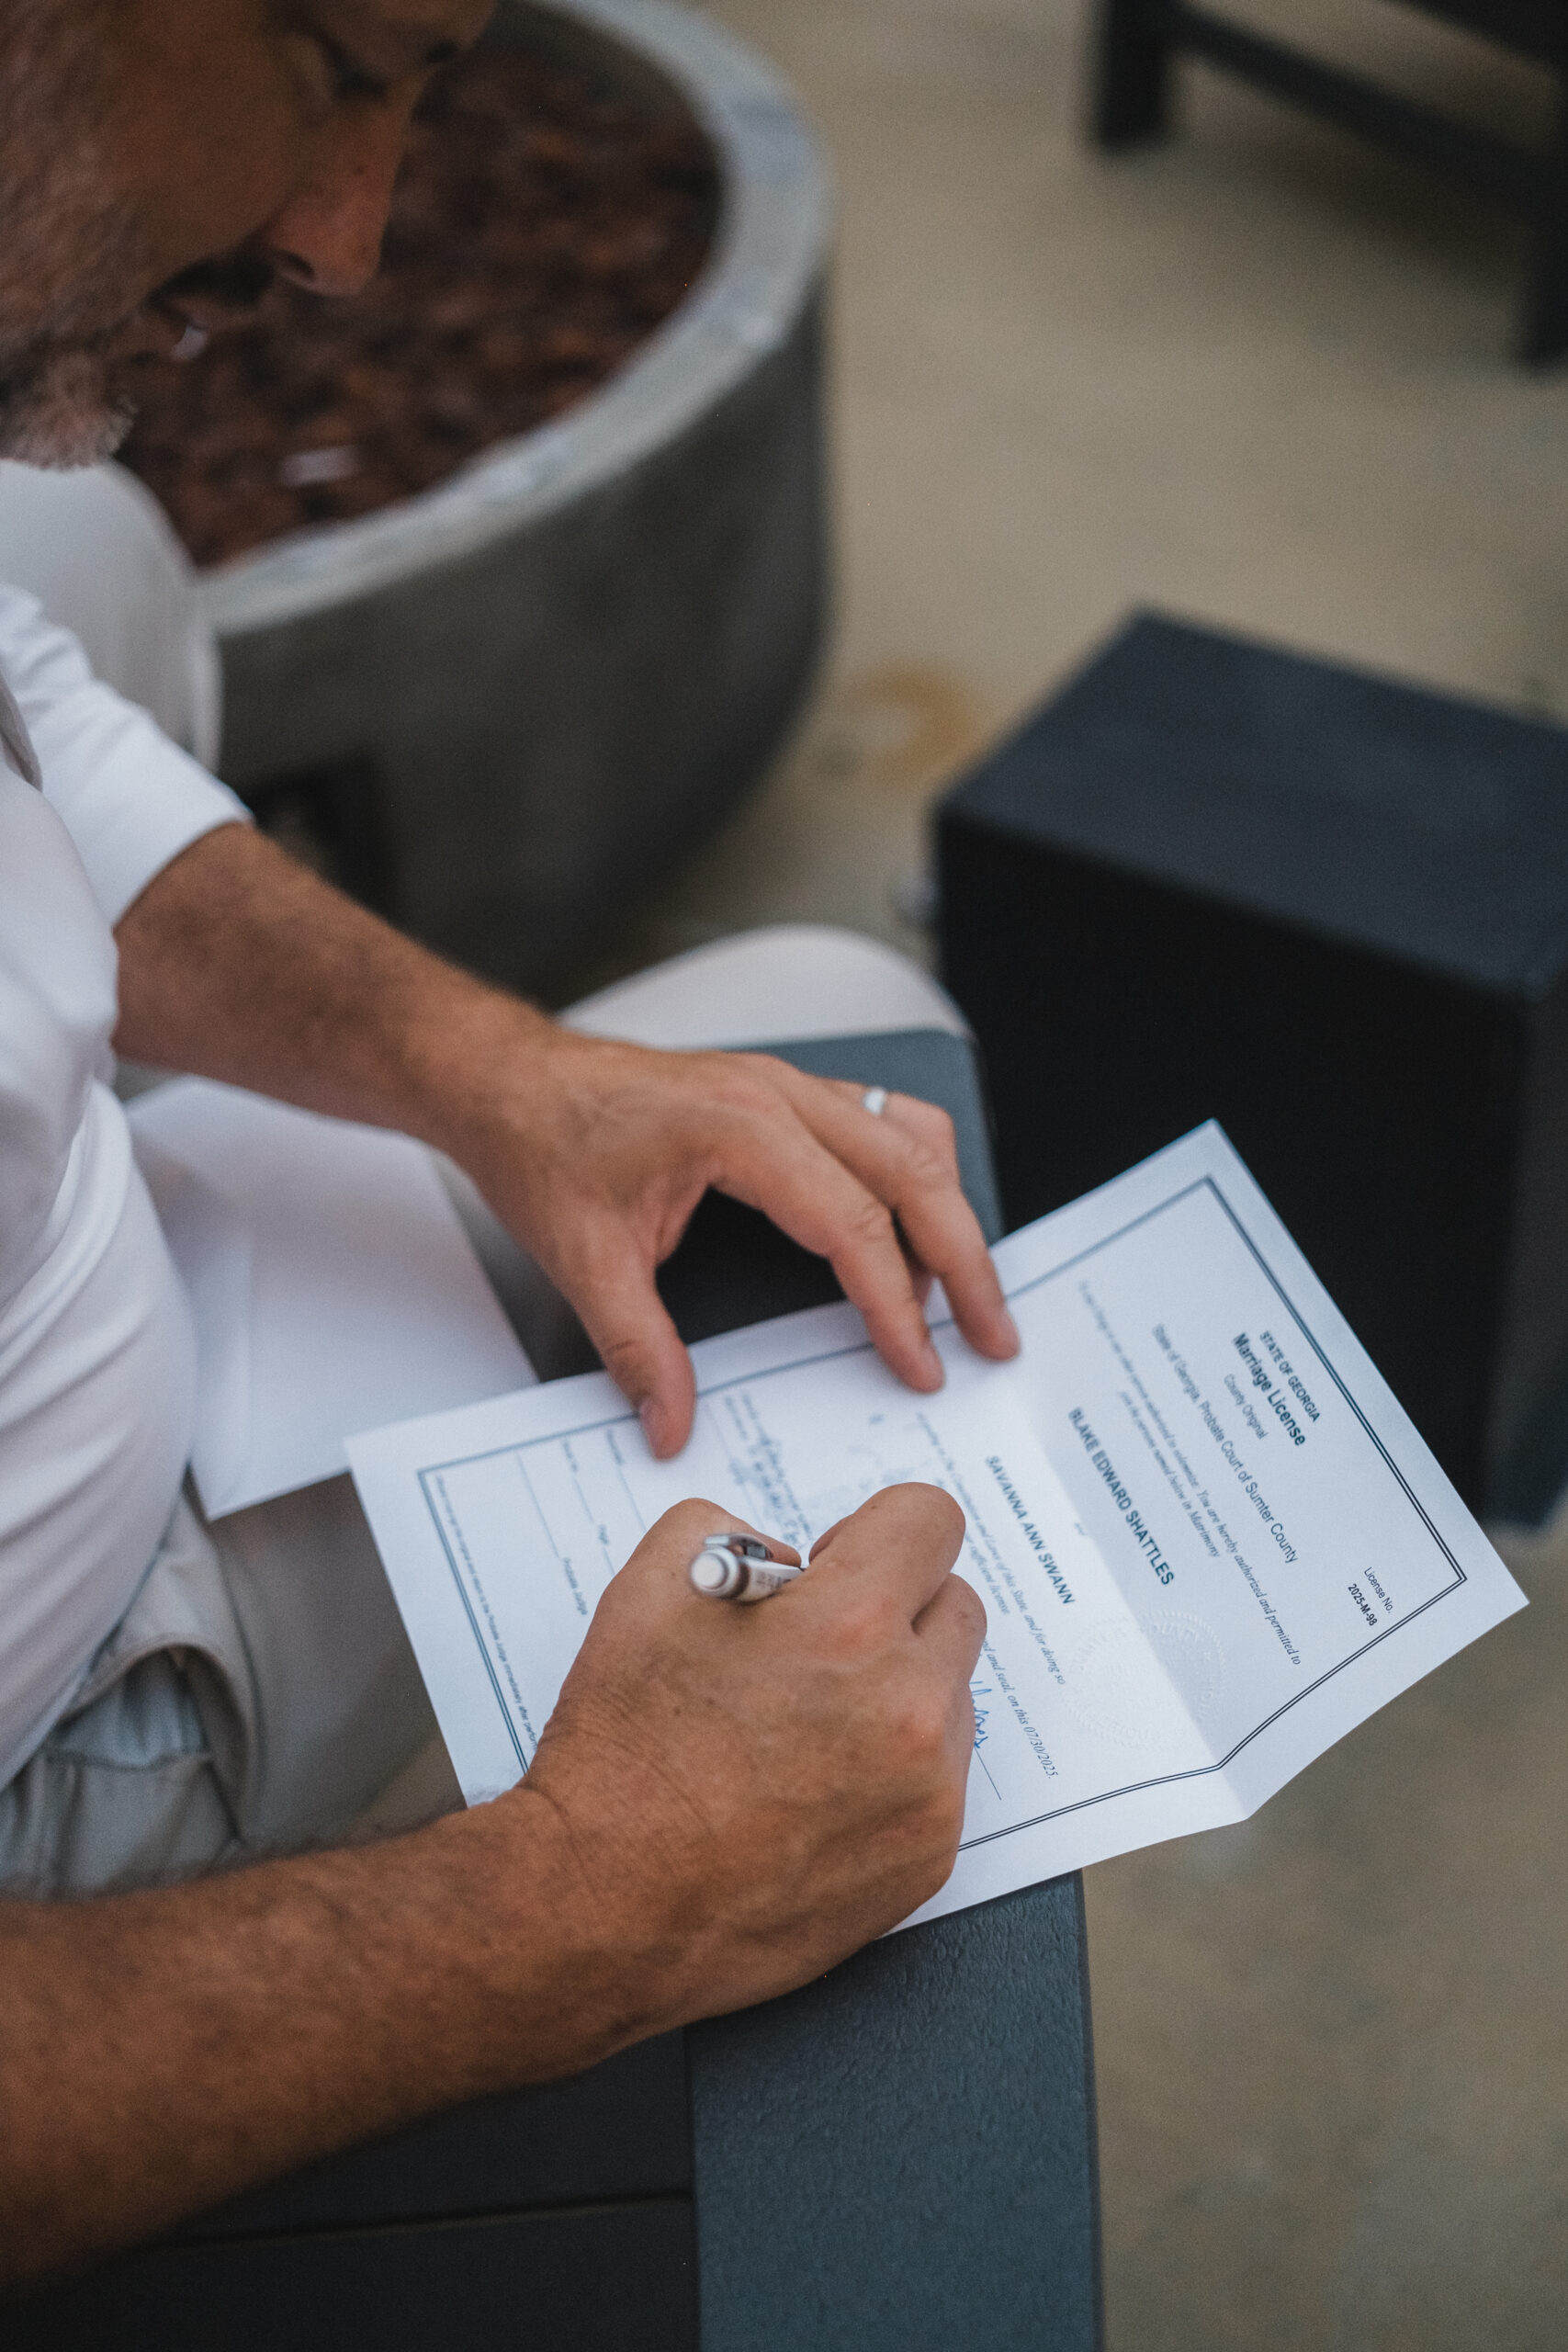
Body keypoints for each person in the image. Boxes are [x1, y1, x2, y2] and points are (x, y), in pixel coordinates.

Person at [0, 0, 1021, 2294]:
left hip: (110, 1310)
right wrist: (581, 1898)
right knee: (840, 1030)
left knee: (82, 551)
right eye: (329, 57)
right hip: (55, 1744)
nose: (352, 235)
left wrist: (500, 1069)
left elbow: (27, 700)